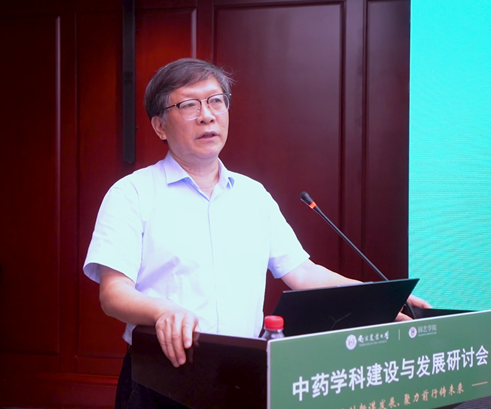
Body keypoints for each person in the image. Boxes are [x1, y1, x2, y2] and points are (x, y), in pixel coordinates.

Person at [83, 58, 430, 408]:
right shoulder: (133, 193)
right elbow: (113, 293)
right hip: (160, 377)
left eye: (216, 101)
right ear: (160, 126)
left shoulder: (253, 195)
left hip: (241, 373)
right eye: (189, 105)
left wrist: (378, 299)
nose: (207, 115)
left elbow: (303, 273)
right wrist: (162, 311)